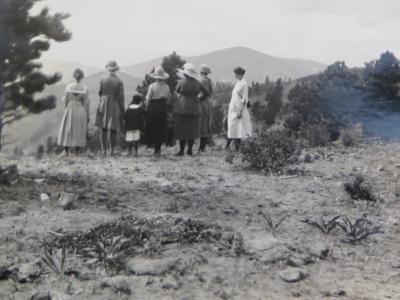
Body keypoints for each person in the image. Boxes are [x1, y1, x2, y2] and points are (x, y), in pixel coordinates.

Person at [174, 63, 210, 156]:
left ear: (185, 73)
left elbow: (177, 90)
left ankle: (181, 150)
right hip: (195, 108)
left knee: (182, 130)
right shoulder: (198, 83)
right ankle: (189, 150)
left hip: (182, 107)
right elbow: (207, 93)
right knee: (192, 131)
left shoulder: (182, 82)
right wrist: (199, 99)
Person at [95, 60, 125, 157]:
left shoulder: (103, 79)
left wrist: (104, 99)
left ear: (108, 69)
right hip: (114, 104)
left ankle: (104, 150)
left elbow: (100, 93)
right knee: (113, 128)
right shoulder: (119, 81)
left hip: (103, 103)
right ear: (116, 69)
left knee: (103, 128)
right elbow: (121, 97)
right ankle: (112, 150)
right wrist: (122, 109)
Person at [57, 68, 89, 156]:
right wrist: (87, 114)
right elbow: (86, 102)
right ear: (81, 77)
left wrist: (66, 110)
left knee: (67, 129)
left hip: (70, 108)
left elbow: (66, 100)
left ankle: (66, 151)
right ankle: (77, 151)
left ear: (74, 76)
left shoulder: (68, 87)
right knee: (78, 129)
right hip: (80, 109)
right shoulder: (84, 88)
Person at [145, 66, 171, 156]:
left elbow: (148, 98)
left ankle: (153, 147)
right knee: (161, 127)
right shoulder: (167, 87)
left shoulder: (152, 86)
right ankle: (158, 148)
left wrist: (147, 107)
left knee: (153, 127)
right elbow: (168, 98)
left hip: (153, 107)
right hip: (162, 107)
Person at [227, 67, 252, 150]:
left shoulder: (244, 84)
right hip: (234, 108)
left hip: (239, 109)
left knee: (240, 128)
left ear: (239, 74)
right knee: (233, 127)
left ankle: (238, 147)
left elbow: (244, 99)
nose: (234, 75)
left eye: (235, 73)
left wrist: (240, 111)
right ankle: (233, 146)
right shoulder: (238, 83)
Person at [198, 64, 214, 153]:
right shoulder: (209, 80)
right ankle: (203, 146)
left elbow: (204, 94)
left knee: (202, 123)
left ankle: (202, 147)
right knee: (207, 123)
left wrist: (198, 99)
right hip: (208, 103)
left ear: (201, 72)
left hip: (202, 102)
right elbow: (210, 92)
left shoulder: (202, 80)